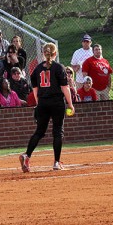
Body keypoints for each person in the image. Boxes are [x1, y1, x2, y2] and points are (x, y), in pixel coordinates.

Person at [19, 42, 75, 172]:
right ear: (55, 53)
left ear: (43, 54)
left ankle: (27, 155)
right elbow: (65, 87)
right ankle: (56, 162)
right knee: (57, 131)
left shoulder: (37, 69)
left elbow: (35, 90)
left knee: (39, 132)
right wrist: (70, 104)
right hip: (56, 102)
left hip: (43, 103)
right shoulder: (59, 67)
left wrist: (39, 103)